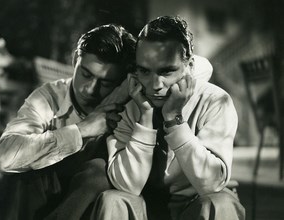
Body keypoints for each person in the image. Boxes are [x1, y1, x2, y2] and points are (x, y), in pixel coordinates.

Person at [91, 16, 245, 220]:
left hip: (196, 202)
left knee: (221, 204)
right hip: (145, 205)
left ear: (190, 66)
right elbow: (127, 185)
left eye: (167, 71)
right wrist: (145, 119)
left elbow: (211, 183)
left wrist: (174, 121)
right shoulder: (132, 105)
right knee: (112, 200)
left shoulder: (215, 102)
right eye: (145, 71)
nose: (155, 85)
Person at [0, 24, 136, 220]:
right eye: (86, 74)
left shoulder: (128, 104)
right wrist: (81, 130)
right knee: (17, 179)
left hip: (88, 203)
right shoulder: (49, 97)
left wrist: (120, 95)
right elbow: (5, 157)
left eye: (106, 83)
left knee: (99, 173)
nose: (90, 89)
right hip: (42, 197)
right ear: (75, 59)